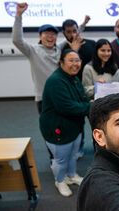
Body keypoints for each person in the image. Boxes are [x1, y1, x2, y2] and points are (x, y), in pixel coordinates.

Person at [40, 49, 90, 197]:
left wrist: (90, 102)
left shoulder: (73, 78)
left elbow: (81, 98)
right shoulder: (56, 81)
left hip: (73, 126)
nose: (75, 64)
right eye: (71, 60)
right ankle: (60, 180)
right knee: (61, 159)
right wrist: (92, 106)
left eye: (77, 60)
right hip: (58, 127)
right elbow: (67, 107)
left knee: (73, 154)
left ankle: (72, 175)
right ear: (61, 62)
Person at [12, 2, 66, 113]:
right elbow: (17, 40)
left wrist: (83, 24)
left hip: (61, 95)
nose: (50, 36)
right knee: (48, 127)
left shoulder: (59, 48)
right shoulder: (32, 50)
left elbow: (73, 35)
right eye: (47, 33)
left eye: (53, 34)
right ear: (40, 36)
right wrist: (18, 16)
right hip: (43, 97)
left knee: (62, 127)